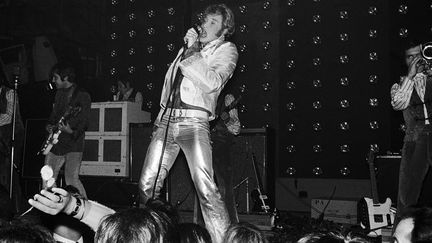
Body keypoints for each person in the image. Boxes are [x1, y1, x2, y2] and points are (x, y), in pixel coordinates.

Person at [138, 3, 238, 243]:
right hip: (167, 120)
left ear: (225, 29)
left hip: (193, 123)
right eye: (205, 20)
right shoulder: (187, 49)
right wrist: (160, 118)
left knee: (206, 186)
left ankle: (221, 239)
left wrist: (193, 50)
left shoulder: (226, 49)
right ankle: (146, 234)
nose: (205, 25)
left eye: (213, 22)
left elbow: (212, 81)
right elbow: (170, 87)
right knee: (147, 184)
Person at [390, 40, 432, 223]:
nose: (416, 59)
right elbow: (398, 103)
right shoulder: (399, 85)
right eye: (410, 57)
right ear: (405, 61)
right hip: (415, 140)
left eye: (419, 54)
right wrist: (411, 76)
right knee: (407, 196)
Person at [44, 62, 91, 198]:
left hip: (73, 143)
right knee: (47, 178)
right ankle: (52, 210)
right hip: (56, 143)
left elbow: (85, 122)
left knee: (71, 179)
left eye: (56, 77)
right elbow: (54, 115)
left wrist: (70, 130)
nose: (53, 81)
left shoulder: (83, 95)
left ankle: (85, 212)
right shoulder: (59, 93)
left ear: (65, 78)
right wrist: (49, 125)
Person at [0, 76, 25, 213]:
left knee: (9, 177)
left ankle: (14, 211)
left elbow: (9, 117)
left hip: (11, 140)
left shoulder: (10, 93)